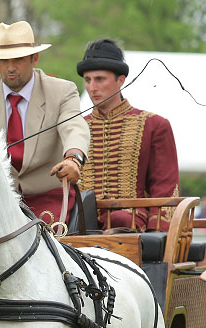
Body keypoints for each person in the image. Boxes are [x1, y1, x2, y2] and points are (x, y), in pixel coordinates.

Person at [0, 21, 89, 224]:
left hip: (48, 198)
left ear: (34, 58)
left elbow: (74, 127)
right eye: (3, 60)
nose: (10, 68)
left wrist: (73, 158)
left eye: (18, 59)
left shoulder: (62, 91)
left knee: (45, 250)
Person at [76, 38, 180, 232]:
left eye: (100, 79)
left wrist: (155, 236)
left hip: (132, 228)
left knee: (120, 219)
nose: (92, 88)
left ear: (120, 80)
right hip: (81, 228)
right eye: (87, 80)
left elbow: (164, 189)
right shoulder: (77, 127)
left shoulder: (154, 125)